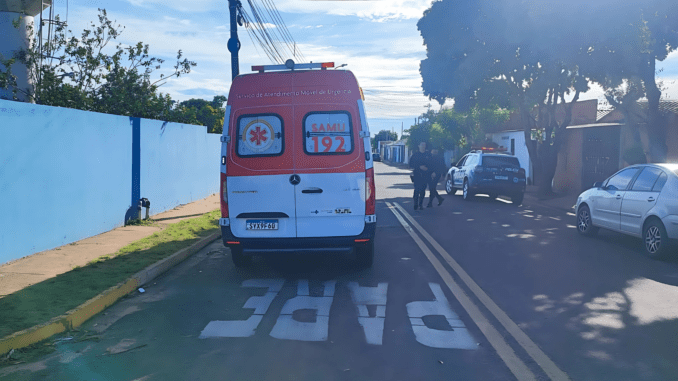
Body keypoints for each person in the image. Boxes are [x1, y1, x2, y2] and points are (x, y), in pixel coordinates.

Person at [409, 141, 432, 210]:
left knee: (422, 190)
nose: (423, 146)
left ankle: (420, 204)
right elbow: (411, 164)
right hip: (417, 175)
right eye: (421, 145)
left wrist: (430, 170)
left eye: (424, 145)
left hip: (425, 175)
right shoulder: (415, 155)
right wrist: (419, 167)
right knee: (417, 189)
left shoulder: (428, 155)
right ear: (419, 146)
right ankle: (415, 204)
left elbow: (432, 164)